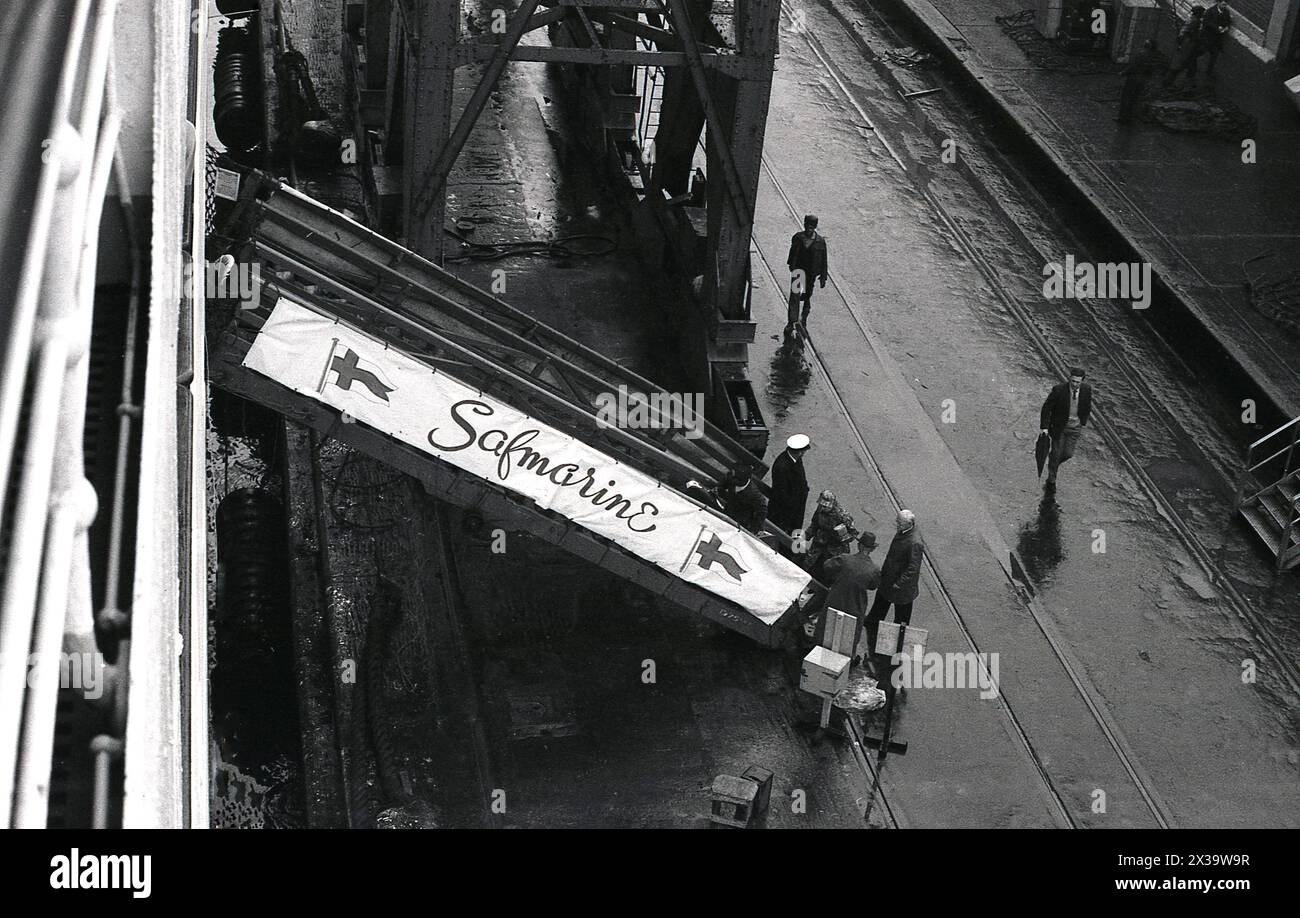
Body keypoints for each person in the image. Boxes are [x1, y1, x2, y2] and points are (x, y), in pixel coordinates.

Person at [864, 510, 923, 659]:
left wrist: (900, 583)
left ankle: (898, 642)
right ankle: (872, 622)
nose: (897, 525)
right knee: (881, 602)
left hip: (901, 587)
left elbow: (913, 568)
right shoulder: (904, 532)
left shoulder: (915, 542)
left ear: (909, 524)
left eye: (899, 523)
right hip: (889, 579)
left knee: (901, 616)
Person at [819, 531, 881, 659]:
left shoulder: (844, 559)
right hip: (855, 607)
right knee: (849, 636)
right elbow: (873, 586)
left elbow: (826, 566)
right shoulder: (874, 569)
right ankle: (846, 661)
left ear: (859, 546)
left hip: (835, 601)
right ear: (871, 550)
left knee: (826, 630)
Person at [1039, 367, 1093, 491]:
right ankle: (1051, 479)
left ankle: (1053, 462)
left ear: (1082, 382)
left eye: (1077, 382)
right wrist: (1044, 427)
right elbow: (1046, 408)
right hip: (1060, 427)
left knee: (1068, 453)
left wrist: (1082, 422)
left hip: (1075, 427)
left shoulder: (1086, 390)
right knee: (1057, 452)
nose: (1074, 384)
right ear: (1069, 379)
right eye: (1072, 381)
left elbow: (1087, 405)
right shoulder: (1059, 390)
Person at [803, 489, 859, 583]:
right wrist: (805, 536)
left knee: (829, 576)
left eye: (826, 506)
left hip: (835, 550)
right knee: (809, 567)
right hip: (819, 544)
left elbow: (852, 534)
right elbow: (814, 524)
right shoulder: (820, 509)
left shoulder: (843, 516)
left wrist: (841, 534)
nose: (823, 508)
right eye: (822, 505)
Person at [786, 215, 828, 333]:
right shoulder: (798, 237)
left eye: (812, 227)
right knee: (794, 296)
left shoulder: (820, 241)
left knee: (807, 295)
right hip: (798, 271)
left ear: (815, 227)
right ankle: (791, 321)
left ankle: (804, 314)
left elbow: (824, 259)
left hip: (811, 273)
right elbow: (792, 251)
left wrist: (823, 276)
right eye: (807, 226)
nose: (809, 229)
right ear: (804, 225)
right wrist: (791, 264)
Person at [767, 434, 811, 539]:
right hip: (785, 510)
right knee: (782, 534)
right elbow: (781, 492)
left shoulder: (795, 459)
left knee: (795, 530)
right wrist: (792, 506)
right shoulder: (782, 466)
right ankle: (788, 551)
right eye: (803, 451)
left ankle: (794, 549)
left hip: (796, 504)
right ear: (799, 452)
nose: (804, 453)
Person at [1116, 40, 1162, 123]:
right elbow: (1152, 69)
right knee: (1135, 98)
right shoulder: (1153, 56)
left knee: (1126, 97)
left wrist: (1122, 73)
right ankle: (1131, 117)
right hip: (1143, 79)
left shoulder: (1141, 54)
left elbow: (1133, 66)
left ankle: (1123, 117)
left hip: (1134, 78)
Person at [1163, 5, 1205, 88]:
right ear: (1198, 13)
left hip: (1189, 46)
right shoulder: (1193, 21)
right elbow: (1184, 31)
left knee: (1187, 65)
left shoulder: (1194, 20)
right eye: (1202, 13)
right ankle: (1172, 83)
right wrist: (1181, 42)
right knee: (1182, 65)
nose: (1203, 14)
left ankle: (1175, 82)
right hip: (1188, 46)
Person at [722, 466, 767, 534]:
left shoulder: (755, 496)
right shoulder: (731, 479)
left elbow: (761, 512)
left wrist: (756, 529)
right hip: (726, 515)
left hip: (741, 526)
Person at [1201, 0, 1232, 78]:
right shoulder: (1210, 11)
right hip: (1208, 38)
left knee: (1214, 56)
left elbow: (1228, 22)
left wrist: (1226, 27)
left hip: (1217, 40)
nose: (1225, 6)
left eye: (1226, 5)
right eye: (1223, 4)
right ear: (1218, 3)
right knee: (1201, 51)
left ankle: (1209, 71)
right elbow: (1206, 22)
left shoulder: (1226, 12)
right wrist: (1217, 27)